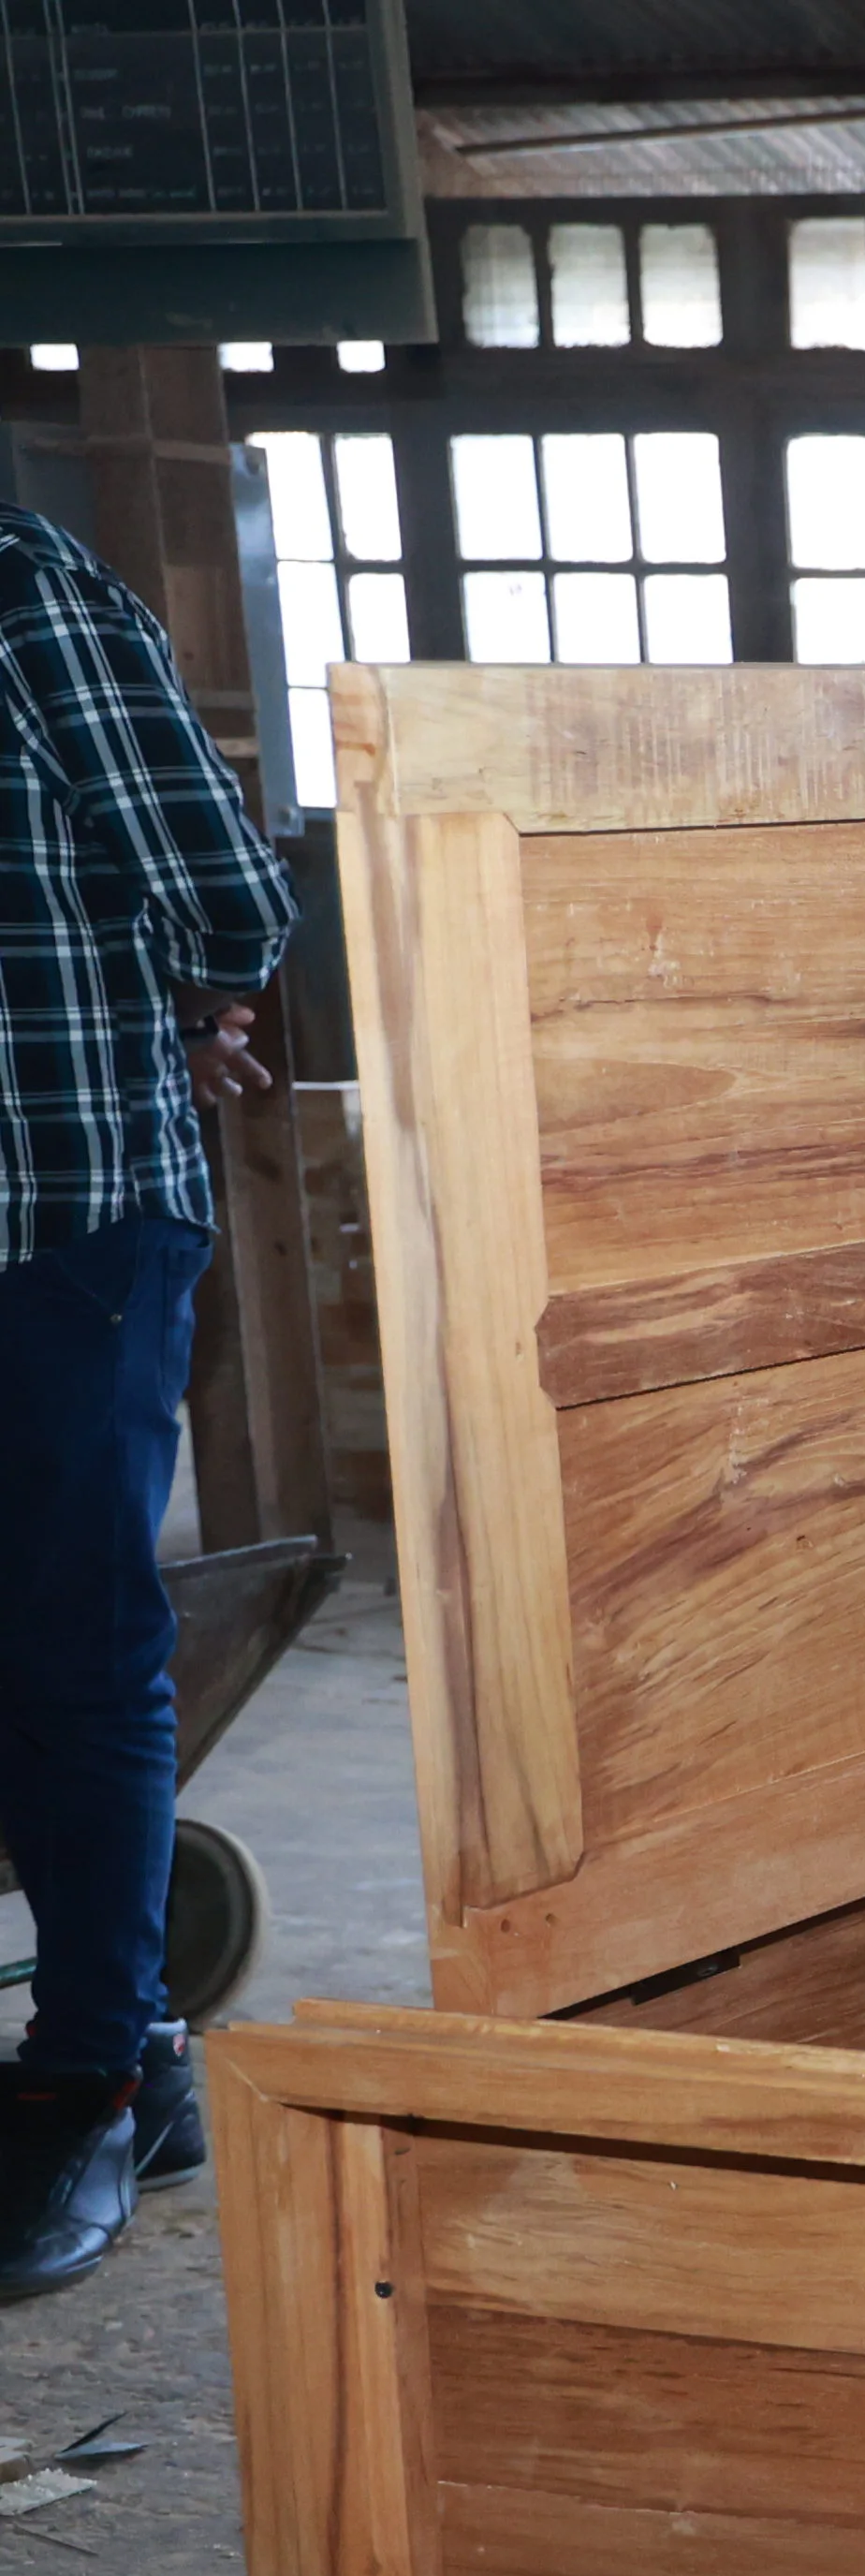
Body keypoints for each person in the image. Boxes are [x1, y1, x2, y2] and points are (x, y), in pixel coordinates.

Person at [0, 499, 297, 2298]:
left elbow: (225, 879)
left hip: (61, 1209)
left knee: (73, 1644)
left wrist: (183, 996)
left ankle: (94, 2071)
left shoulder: (23, 585)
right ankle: (139, 2041)